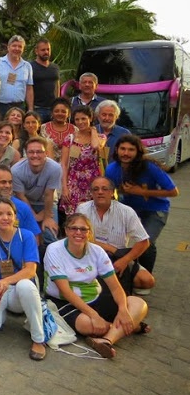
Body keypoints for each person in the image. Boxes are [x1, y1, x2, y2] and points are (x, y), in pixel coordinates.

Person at [44, 213, 150, 359]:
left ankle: (107, 340)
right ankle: (132, 326)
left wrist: (123, 309)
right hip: (64, 301)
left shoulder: (97, 251)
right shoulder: (54, 250)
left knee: (139, 303)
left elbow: (114, 286)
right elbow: (66, 292)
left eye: (83, 229)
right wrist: (94, 316)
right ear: (66, 230)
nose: (78, 233)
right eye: (74, 228)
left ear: (89, 233)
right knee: (87, 325)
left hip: (94, 296)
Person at [0, 198, 45, 360]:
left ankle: (38, 339)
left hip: (18, 289)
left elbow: (30, 270)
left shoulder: (26, 236)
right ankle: (1, 313)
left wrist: (7, 281)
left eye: (9, 213)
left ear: (15, 217)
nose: (5, 217)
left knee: (25, 286)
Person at [106, 135, 179, 274]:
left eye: (131, 150)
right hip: (128, 208)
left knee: (147, 243)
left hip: (155, 209)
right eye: (123, 149)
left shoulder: (150, 167)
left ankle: (144, 277)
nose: (126, 153)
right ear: (116, 150)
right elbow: (109, 191)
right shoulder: (111, 169)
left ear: (137, 152)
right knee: (112, 238)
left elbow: (173, 192)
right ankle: (117, 271)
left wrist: (140, 191)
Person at [76, 177, 155, 294]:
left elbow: (144, 242)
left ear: (112, 192)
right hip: (90, 254)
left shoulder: (126, 212)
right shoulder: (82, 209)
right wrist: (111, 248)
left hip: (118, 257)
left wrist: (124, 260)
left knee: (147, 281)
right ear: (91, 193)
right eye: (96, 189)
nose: (100, 192)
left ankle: (123, 284)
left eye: (105, 189)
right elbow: (78, 238)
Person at [12, 137, 62, 245]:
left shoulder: (55, 168)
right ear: (26, 154)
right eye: (31, 152)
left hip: (47, 203)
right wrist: (33, 216)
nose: (35, 155)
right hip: (24, 202)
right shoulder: (16, 170)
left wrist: (47, 217)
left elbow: (49, 194)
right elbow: (21, 196)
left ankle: (51, 259)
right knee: (24, 233)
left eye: (39, 152)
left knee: (50, 233)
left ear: (46, 153)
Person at [59, 106, 106, 215]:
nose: (80, 122)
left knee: (93, 216)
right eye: (77, 119)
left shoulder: (101, 137)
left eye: (83, 119)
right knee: (73, 216)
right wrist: (65, 187)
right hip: (74, 181)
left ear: (90, 118)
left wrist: (93, 130)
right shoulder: (69, 139)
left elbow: (95, 146)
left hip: (93, 180)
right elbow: (64, 164)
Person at [0, 35, 34, 116]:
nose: (17, 49)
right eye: (14, 46)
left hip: (19, 107)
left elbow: (29, 88)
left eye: (20, 46)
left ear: (23, 49)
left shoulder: (27, 66)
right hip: (0, 107)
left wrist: (30, 108)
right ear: (8, 47)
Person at [30, 38, 60, 123]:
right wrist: (31, 109)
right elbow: (28, 88)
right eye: (43, 50)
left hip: (53, 109)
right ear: (36, 51)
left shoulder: (55, 67)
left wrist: (57, 105)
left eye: (48, 49)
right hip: (37, 108)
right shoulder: (30, 67)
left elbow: (57, 86)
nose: (46, 52)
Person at [40, 97, 75, 164]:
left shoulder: (75, 130)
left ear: (69, 114)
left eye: (63, 111)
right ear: (52, 113)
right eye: (56, 111)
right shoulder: (43, 128)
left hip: (69, 167)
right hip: (48, 166)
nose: (60, 114)